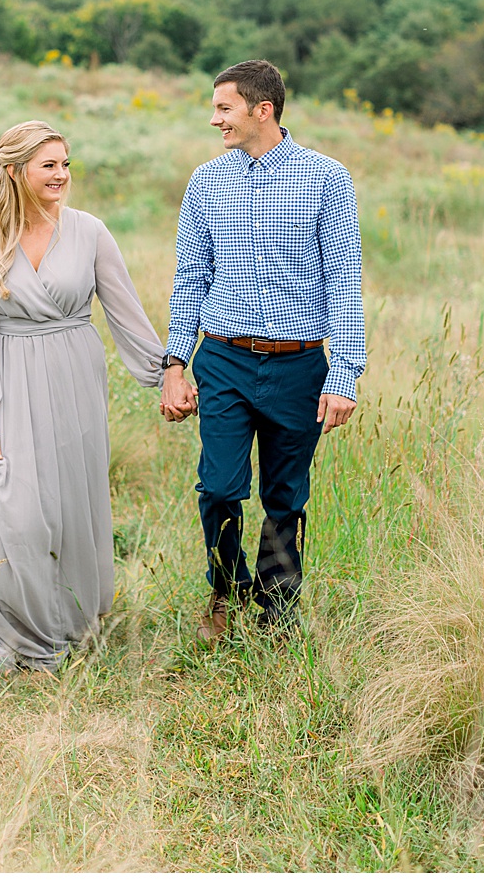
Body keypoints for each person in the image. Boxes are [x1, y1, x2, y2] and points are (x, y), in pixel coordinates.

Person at [0, 120, 167, 673]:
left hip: (75, 375)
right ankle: (16, 629)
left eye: (66, 164)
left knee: (73, 506)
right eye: (49, 165)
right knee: (16, 511)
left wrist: (165, 374)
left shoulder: (90, 232)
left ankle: (71, 624)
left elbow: (126, 315)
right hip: (12, 382)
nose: (62, 175)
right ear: (17, 171)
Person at [162, 59, 365, 643]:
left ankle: (276, 609)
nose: (214, 118)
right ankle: (226, 592)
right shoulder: (207, 182)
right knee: (221, 487)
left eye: (223, 107)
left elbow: (343, 280)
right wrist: (176, 364)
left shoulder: (327, 178)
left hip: (300, 365)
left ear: (262, 110)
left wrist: (343, 375)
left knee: (285, 495)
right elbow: (190, 280)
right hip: (222, 360)